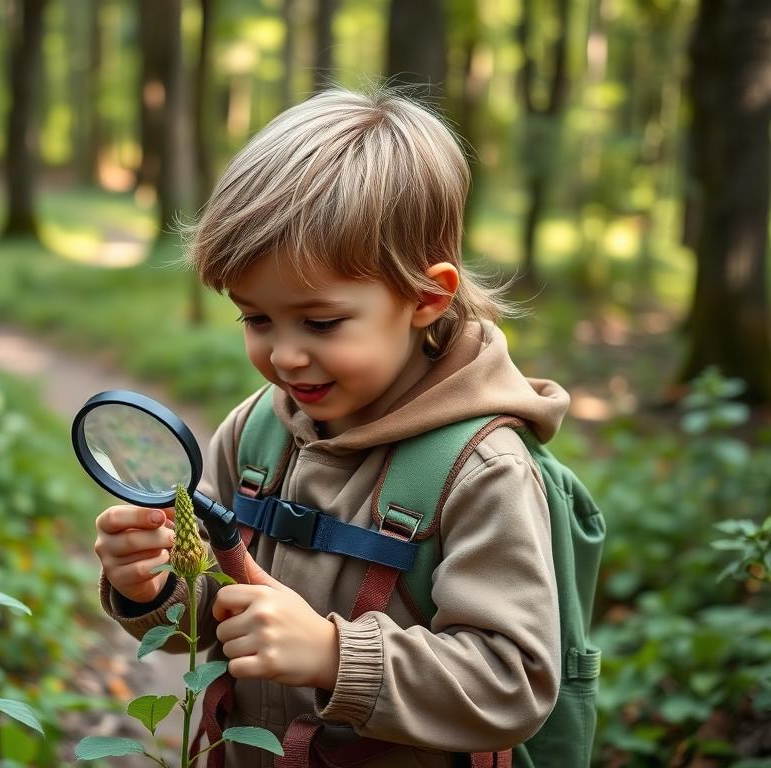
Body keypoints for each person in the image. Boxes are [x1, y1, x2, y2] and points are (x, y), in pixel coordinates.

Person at [93, 87, 568, 767]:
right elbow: (215, 620)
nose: (284, 355)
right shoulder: (257, 432)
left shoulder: (481, 470)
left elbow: (513, 683)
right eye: (257, 319)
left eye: (320, 323)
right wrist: (156, 588)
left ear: (426, 296)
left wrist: (333, 655)